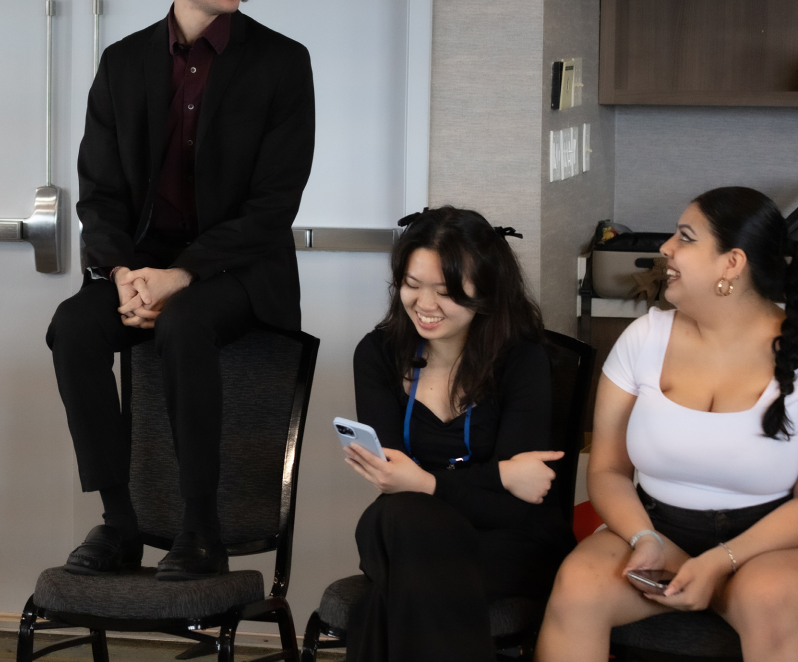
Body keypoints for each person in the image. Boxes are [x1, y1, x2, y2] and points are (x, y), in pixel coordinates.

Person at [47, 0, 314, 581]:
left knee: (184, 325)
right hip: (143, 268)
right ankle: (120, 522)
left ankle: (199, 530)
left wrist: (182, 273)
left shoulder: (282, 64)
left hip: (239, 275)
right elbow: (99, 193)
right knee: (74, 328)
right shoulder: (124, 63)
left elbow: (272, 205)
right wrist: (125, 274)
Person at [537, 187, 798, 662]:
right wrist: (646, 539)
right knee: (578, 587)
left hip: (767, 544)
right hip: (654, 527)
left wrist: (720, 563)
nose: (665, 249)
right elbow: (609, 470)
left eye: (685, 237)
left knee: (771, 599)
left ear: (731, 263)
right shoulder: (644, 338)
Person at [342, 207, 574, 661]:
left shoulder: (522, 360)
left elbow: (519, 502)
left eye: (445, 292)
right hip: (407, 528)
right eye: (411, 285)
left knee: (394, 587)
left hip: (505, 540)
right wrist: (500, 475)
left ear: (486, 290)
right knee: (397, 518)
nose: (425, 305)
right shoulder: (377, 354)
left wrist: (426, 482)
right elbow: (393, 483)